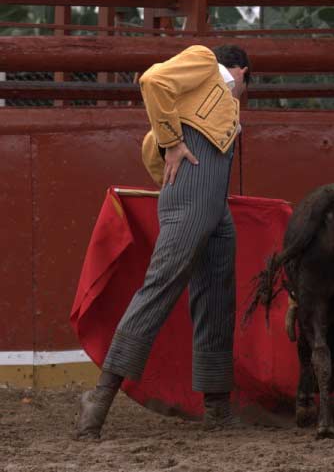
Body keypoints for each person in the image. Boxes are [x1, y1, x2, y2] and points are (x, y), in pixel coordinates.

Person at [75, 44, 250, 439]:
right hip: (196, 198)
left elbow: (147, 146)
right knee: (161, 288)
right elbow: (153, 80)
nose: (242, 93)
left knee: (217, 297)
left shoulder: (201, 100)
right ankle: (99, 398)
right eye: (245, 83)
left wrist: (171, 151)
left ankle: (217, 407)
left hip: (212, 204)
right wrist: (174, 144)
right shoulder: (206, 62)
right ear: (240, 71)